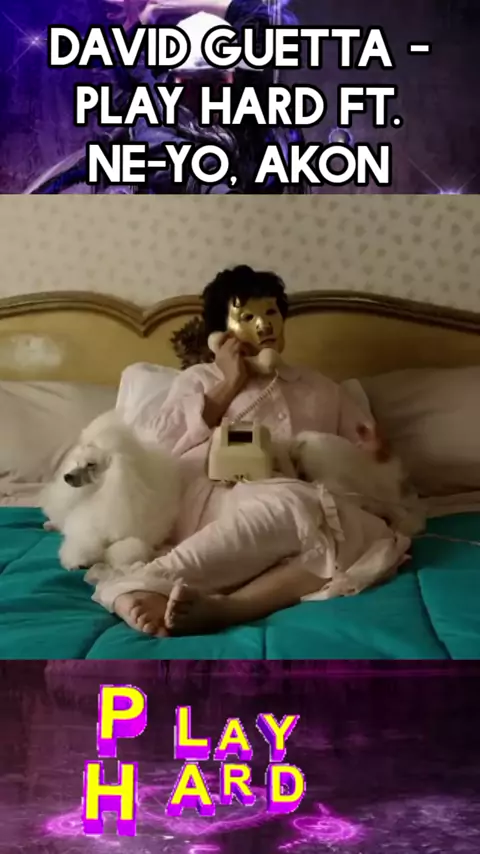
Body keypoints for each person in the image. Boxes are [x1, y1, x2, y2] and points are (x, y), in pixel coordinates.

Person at [88, 265, 411, 636]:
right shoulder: (198, 380)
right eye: (247, 317)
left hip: (301, 501)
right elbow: (157, 446)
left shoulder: (318, 387)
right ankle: (137, 583)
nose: (264, 324)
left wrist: (376, 453)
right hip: (218, 497)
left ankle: (230, 608)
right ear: (221, 333)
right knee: (300, 507)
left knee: (369, 533)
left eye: (271, 312)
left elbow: (362, 462)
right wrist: (230, 382)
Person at [27, 0, 308, 195]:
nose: (215, 94)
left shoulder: (243, 93)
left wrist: (160, 9)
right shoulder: (157, 125)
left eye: (220, 81)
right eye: (200, 84)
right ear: (179, 81)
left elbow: (262, 16)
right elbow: (196, 175)